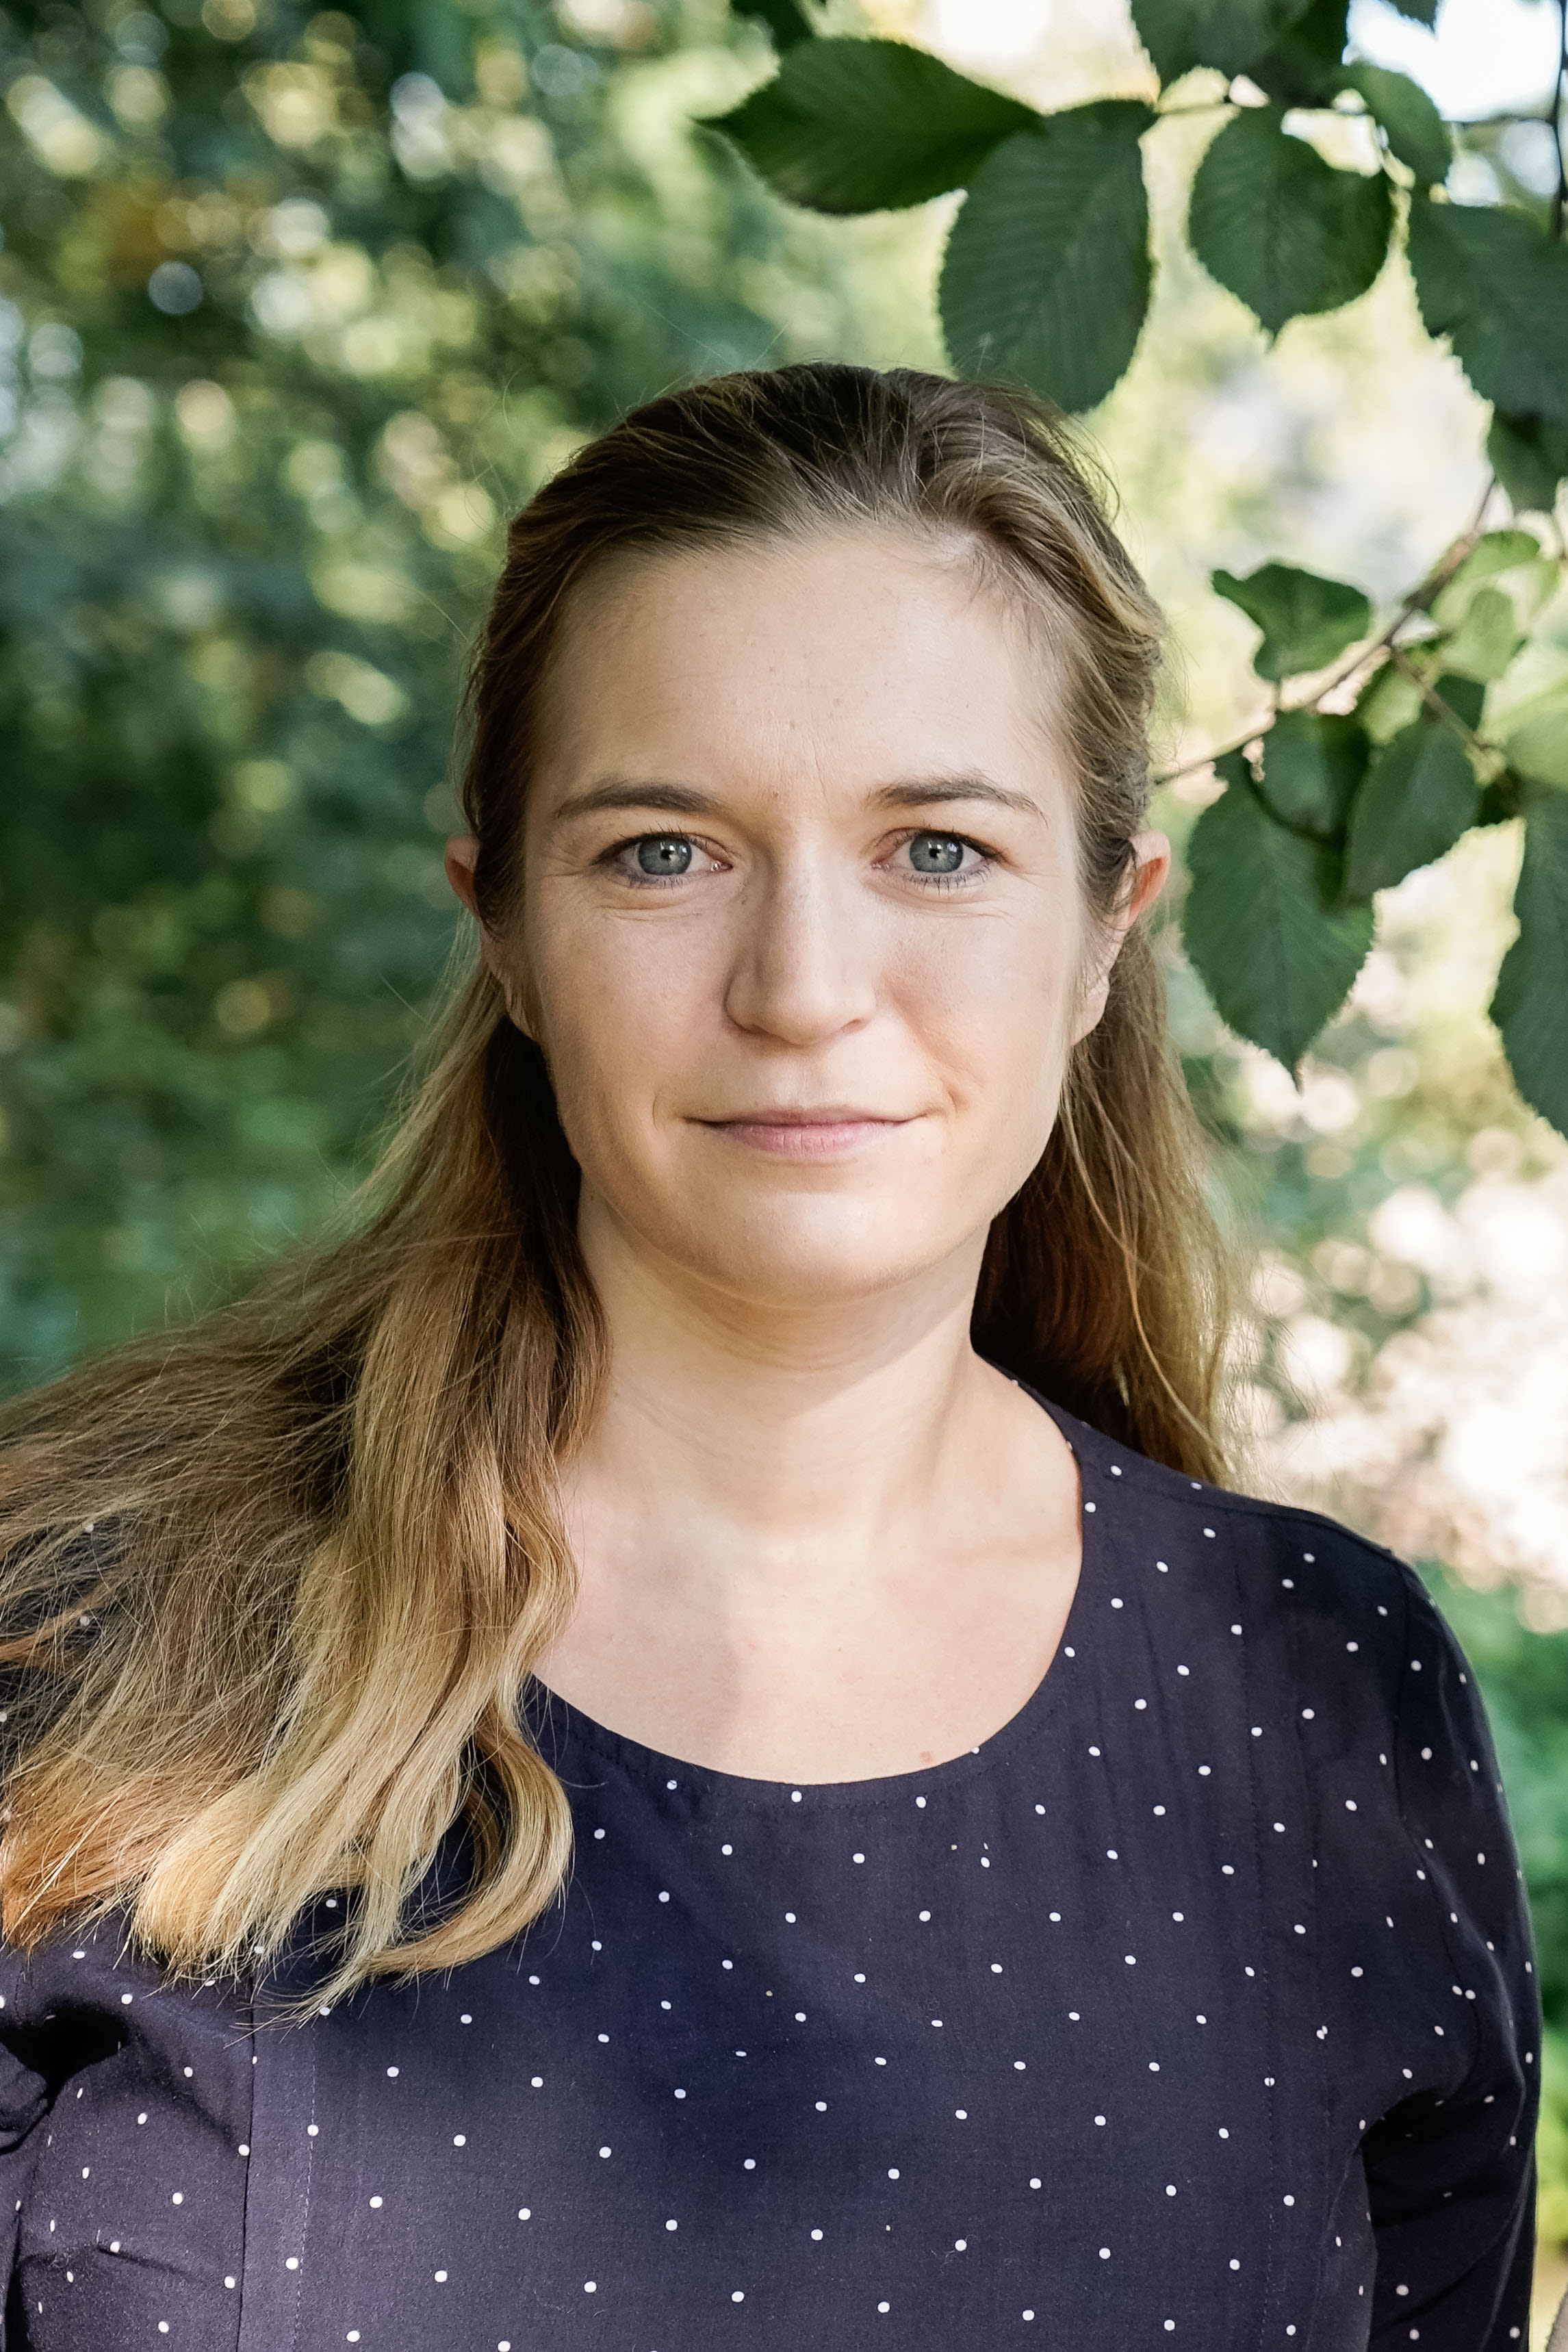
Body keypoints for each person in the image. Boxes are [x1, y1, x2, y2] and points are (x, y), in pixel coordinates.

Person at [0, 363, 1536, 2351]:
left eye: (936, 849)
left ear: (1106, 931)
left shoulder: (1326, 1695)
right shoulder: (83, 1629)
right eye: (664, 851)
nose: (803, 989)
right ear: (504, 932)